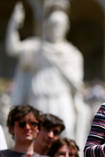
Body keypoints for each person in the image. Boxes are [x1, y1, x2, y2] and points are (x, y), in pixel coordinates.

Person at [6, 2, 84, 139]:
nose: (55, 29)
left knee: (64, 136)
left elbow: (77, 84)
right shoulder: (35, 47)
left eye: (59, 26)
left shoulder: (72, 53)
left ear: (66, 28)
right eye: (52, 25)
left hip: (61, 100)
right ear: (46, 27)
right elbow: (12, 48)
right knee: (36, 138)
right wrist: (14, 24)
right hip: (38, 99)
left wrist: (61, 66)